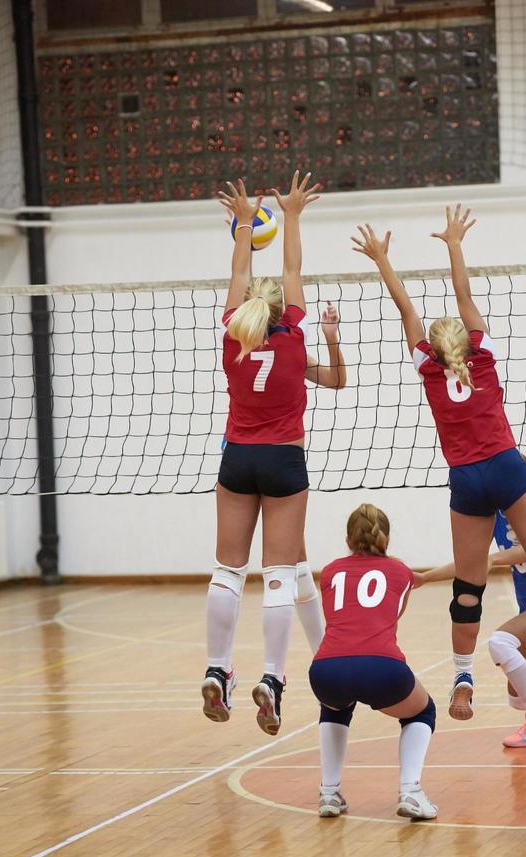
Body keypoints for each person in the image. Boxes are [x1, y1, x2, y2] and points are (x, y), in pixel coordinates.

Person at [351, 207, 526, 722]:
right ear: (468, 343)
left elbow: (406, 311)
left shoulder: (426, 366)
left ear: (436, 348)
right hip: (507, 466)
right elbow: (465, 296)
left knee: (469, 587)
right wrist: (454, 244)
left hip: (466, 478)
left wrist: (382, 260)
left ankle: (463, 678)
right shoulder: (484, 358)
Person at [202, 172, 346, 736]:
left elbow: (243, 272)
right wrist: (291, 215)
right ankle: (271, 678)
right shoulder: (294, 339)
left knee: (227, 571)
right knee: (279, 573)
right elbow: (291, 270)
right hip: (284, 462)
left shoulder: (234, 338)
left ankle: (217, 667)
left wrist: (244, 223)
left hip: (236, 459)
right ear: (286, 310)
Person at [422, 503, 526, 748]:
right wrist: (424, 578)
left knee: (500, 642)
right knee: (519, 697)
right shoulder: (494, 515)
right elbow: (471, 563)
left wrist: (492, 558)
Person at [308, 503, 437, 820]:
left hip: (326, 669)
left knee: (335, 706)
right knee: (422, 710)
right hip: (382, 666)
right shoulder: (400, 572)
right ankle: (410, 790)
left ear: (347, 540)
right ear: (387, 539)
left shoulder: (329, 572)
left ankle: (329, 793)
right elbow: (390, 617)